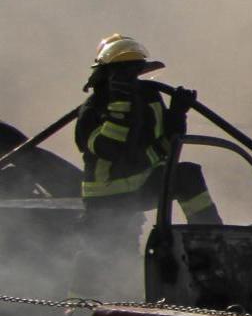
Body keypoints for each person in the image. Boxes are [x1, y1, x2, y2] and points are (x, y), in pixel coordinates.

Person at [74, 34, 219, 241]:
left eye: (135, 72)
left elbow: (168, 146)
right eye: (124, 75)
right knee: (109, 260)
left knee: (187, 176)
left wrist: (177, 115)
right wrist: (121, 105)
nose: (132, 80)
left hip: (141, 185)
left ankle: (210, 239)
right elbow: (115, 149)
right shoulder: (92, 110)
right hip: (108, 197)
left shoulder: (149, 100)